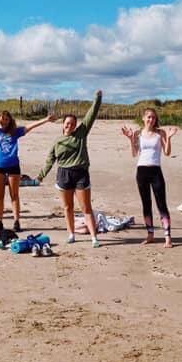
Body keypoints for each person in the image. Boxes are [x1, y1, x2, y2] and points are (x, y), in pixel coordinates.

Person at [0, 92, 56, 235]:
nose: (4, 121)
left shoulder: (15, 132)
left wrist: (46, 119)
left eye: (6, 119)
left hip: (13, 167)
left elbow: (31, 126)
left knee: (14, 195)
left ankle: (17, 221)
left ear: (9, 121)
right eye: (2, 118)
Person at [36, 90, 103, 247]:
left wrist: (97, 99)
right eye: (67, 123)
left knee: (86, 207)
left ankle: (94, 238)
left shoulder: (81, 134)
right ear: (63, 124)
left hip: (81, 174)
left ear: (75, 125)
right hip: (64, 174)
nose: (70, 125)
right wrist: (41, 175)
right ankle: (71, 234)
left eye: (73, 124)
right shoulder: (57, 141)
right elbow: (50, 159)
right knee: (67, 207)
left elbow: (91, 115)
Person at [121, 107, 178, 247]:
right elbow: (134, 153)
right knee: (146, 204)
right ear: (143, 118)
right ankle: (150, 234)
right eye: (148, 117)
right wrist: (130, 139)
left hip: (156, 171)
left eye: (153, 117)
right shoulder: (137, 133)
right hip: (141, 171)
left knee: (161, 204)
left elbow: (167, 152)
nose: (151, 120)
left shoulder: (160, 133)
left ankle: (167, 237)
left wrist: (169, 138)